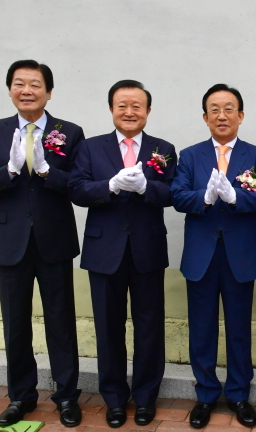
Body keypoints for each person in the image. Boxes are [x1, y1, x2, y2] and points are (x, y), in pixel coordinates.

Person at [0, 60, 83, 427]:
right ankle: (21, 396)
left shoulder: (69, 132)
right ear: (10, 90)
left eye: (35, 84)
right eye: (19, 83)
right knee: (15, 324)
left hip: (54, 239)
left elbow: (78, 186)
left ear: (48, 92)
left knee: (60, 321)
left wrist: (47, 170)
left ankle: (67, 396)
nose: (27, 90)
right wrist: (10, 170)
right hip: (9, 241)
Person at [68, 80, 176, 428]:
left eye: (136, 106)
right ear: (111, 109)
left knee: (149, 326)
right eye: (122, 105)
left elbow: (172, 193)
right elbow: (76, 189)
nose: (129, 112)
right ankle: (114, 399)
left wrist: (147, 187)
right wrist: (110, 186)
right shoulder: (90, 147)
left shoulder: (163, 149)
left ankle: (145, 398)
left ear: (148, 110)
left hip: (147, 249)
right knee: (108, 326)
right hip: (104, 250)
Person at [170, 84, 256, 429]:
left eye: (229, 109)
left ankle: (239, 394)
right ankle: (206, 394)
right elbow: (177, 196)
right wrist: (206, 197)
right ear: (205, 117)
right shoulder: (190, 155)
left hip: (240, 254)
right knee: (202, 328)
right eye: (215, 109)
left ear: (240, 116)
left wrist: (235, 197)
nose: (222, 115)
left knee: (239, 328)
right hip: (202, 255)